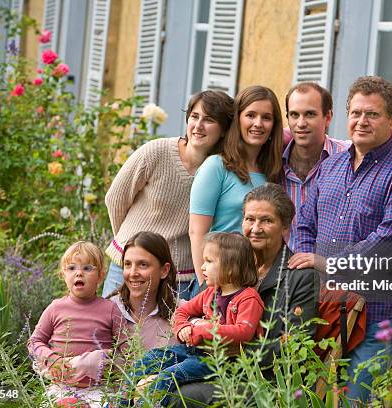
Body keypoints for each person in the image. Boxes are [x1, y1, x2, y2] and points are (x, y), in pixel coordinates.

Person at [290, 76, 392, 401]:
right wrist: (311, 270)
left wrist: (327, 263)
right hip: (324, 306)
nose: (361, 121)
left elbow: (389, 239)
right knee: (314, 396)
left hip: (377, 310)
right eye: (355, 113)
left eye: (372, 114)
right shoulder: (332, 165)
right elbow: (304, 224)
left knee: (355, 398)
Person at [173, 183, 320, 406]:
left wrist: (239, 350)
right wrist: (193, 326)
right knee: (154, 372)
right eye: (250, 219)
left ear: (285, 226)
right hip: (209, 362)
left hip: (264, 379)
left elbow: (296, 345)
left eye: (267, 220)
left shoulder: (299, 277)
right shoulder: (227, 261)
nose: (255, 228)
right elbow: (197, 308)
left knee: (179, 394)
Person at [103, 90, 234, 299]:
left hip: (178, 276)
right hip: (128, 267)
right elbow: (116, 199)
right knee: (112, 328)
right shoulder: (156, 152)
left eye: (208, 120)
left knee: (167, 332)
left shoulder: (220, 171)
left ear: (224, 130)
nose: (198, 125)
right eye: (194, 116)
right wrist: (133, 244)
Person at [125, 232, 264, 406]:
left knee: (169, 377)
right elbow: (181, 312)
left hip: (220, 361)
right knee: (147, 361)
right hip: (193, 351)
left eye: (209, 261)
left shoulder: (248, 298)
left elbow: (243, 332)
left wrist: (201, 330)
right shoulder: (210, 293)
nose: (202, 266)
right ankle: (118, 403)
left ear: (230, 266)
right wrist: (182, 327)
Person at [189, 85, 283, 284]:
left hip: (254, 283)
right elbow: (197, 233)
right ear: (238, 119)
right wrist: (206, 288)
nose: (258, 123)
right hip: (217, 282)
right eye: (250, 115)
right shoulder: (216, 167)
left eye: (266, 117)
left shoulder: (272, 172)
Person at [28, 241, 125, 407]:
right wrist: (52, 359)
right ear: (63, 275)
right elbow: (34, 342)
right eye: (72, 268)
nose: (79, 273)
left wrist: (118, 374)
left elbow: (125, 346)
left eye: (87, 268)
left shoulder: (110, 309)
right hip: (62, 385)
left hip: (99, 387)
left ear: (101, 276)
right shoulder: (56, 308)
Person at [280, 82, 350, 252]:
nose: (301, 123)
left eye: (310, 114)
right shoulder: (272, 160)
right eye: (294, 115)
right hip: (282, 268)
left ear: (328, 117)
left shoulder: (349, 157)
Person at [110, 231, 179, 350]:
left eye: (143, 264)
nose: (133, 273)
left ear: (164, 270)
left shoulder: (181, 313)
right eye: (127, 264)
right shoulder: (108, 309)